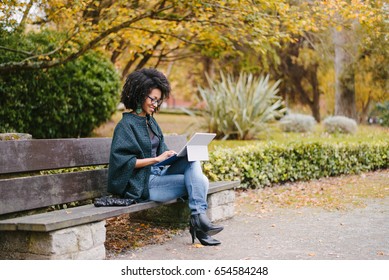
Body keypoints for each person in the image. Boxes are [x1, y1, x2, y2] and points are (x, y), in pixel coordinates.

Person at [107, 68, 223, 246]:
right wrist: (156, 160)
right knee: (202, 183)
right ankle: (199, 224)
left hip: (159, 174)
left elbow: (161, 150)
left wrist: (173, 156)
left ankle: (198, 219)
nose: (155, 103)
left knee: (192, 159)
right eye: (152, 98)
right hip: (143, 184)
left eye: (158, 100)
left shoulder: (151, 122)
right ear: (138, 94)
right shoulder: (125, 125)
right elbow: (122, 162)